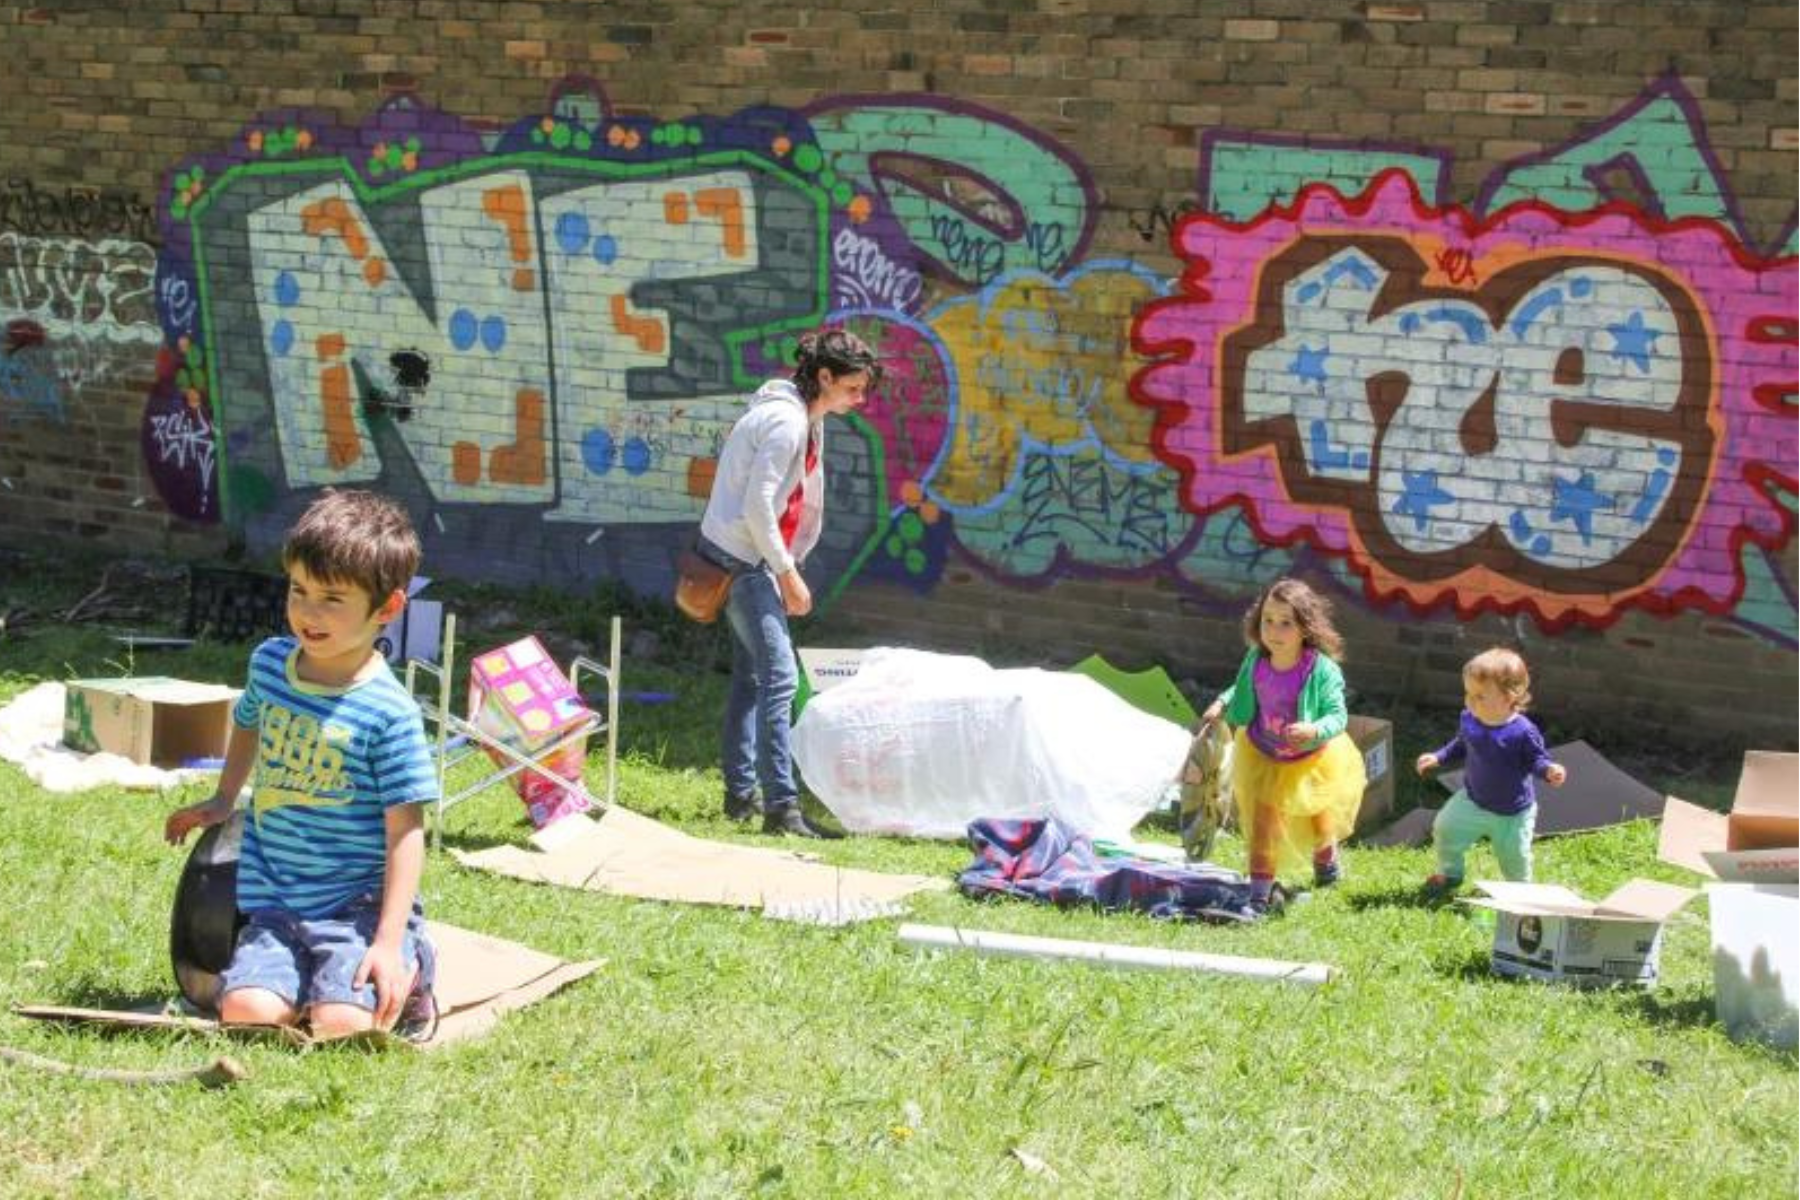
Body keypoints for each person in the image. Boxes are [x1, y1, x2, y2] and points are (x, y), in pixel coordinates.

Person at [164, 489, 438, 1040]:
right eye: (299, 589)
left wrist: (385, 942)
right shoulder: (269, 665)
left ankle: (414, 962)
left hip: (358, 906)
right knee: (249, 1016)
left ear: (386, 608)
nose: (307, 612)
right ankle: (308, 976)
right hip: (276, 902)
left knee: (341, 1026)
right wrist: (224, 798)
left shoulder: (390, 714)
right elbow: (247, 720)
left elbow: (407, 835)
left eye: (333, 599)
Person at [696, 327, 881, 838]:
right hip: (745, 561)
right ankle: (781, 807)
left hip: (746, 555)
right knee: (778, 678)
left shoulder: (806, 417)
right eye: (852, 388)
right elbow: (758, 504)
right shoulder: (786, 422)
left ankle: (740, 795)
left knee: (752, 678)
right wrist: (787, 574)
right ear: (824, 377)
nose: (859, 398)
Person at [1199, 578, 1366, 914]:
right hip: (1264, 754)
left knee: (1318, 814)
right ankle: (1260, 894)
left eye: (1286, 623)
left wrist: (1314, 728)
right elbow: (1242, 687)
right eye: (1268, 621)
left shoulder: (1320, 670)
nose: (1274, 630)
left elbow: (1337, 715)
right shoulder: (1257, 660)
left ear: (1306, 627)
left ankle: (1326, 859)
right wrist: (1222, 702)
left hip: (1311, 757)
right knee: (1264, 825)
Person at [1415, 647, 1567, 894]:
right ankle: (1450, 873)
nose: (1470, 700)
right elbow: (1462, 743)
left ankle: (1520, 892)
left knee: (1514, 858)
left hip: (1513, 813)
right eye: (1468, 693)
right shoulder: (1470, 718)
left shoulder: (1522, 731)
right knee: (1445, 829)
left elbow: (1536, 759)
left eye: (1480, 696)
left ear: (1510, 696)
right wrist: (1438, 757)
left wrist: (1549, 769)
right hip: (1473, 799)